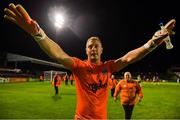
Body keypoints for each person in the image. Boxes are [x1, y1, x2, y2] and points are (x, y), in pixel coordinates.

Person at [3, 3, 176, 119]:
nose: (93, 48)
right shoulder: (79, 66)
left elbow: (128, 58)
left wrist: (152, 43)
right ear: (86, 50)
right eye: (89, 46)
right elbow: (58, 54)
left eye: (96, 46)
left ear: (102, 50)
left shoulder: (108, 67)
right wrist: (38, 33)